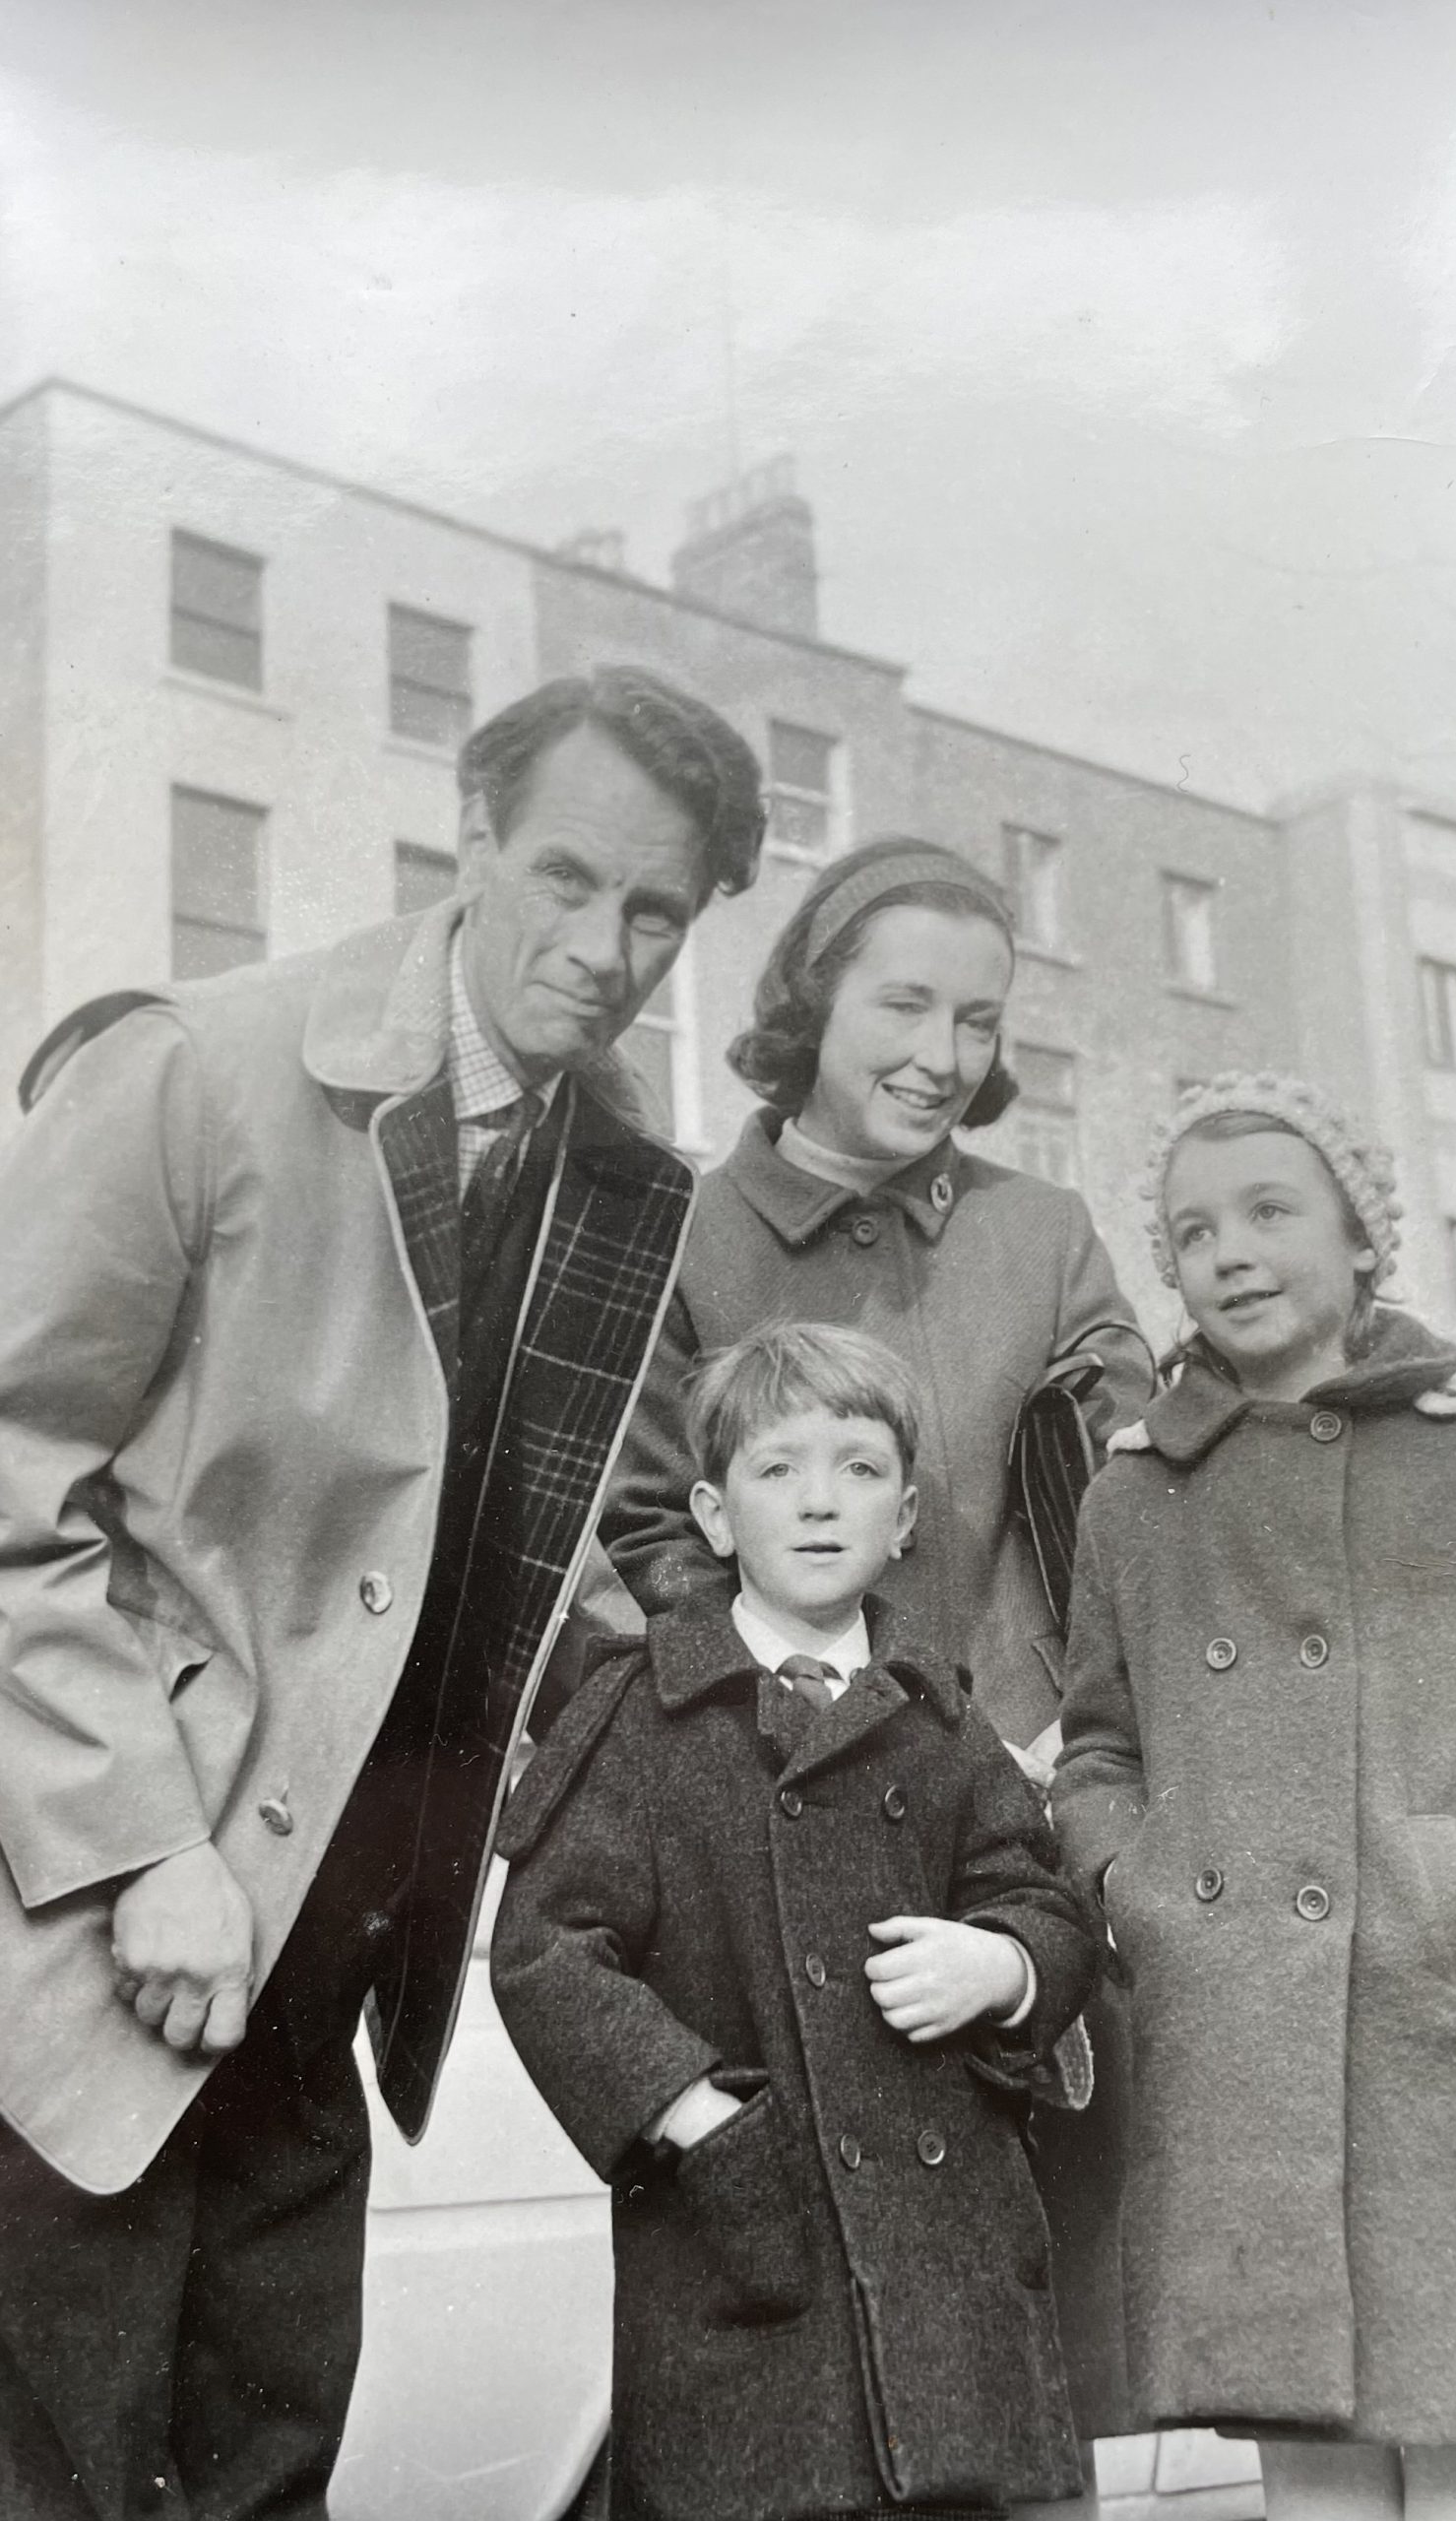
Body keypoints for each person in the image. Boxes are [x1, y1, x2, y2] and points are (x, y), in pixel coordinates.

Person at [0, 665, 765, 2521]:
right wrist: (132, 1848)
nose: (601, 946)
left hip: (337, 1957)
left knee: (269, 2481)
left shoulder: (614, 1184)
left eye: (653, 913)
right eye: (566, 879)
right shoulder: (191, 1063)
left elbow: (527, 1571)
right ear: (473, 837)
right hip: (96, 1929)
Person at [601, 833, 1154, 2471]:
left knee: (1020, 2353)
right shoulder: (682, 1235)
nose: (939, 1054)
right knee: (802, 2362)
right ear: (808, 996)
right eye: (901, 1003)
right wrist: (786, 1732)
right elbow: (636, 1542)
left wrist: (1076, 1736)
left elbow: (1136, 1506)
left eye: (976, 1021)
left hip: (1017, 1837)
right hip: (766, 1838)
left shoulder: (1041, 1232)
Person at [490, 1321, 1102, 2521]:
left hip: (949, 2264)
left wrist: (1006, 1963)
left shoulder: (940, 1720)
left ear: (908, 1516)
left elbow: (1044, 1902)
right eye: (778, 1470)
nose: (820, 1503)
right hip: (743, 2244)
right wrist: (693, 2113)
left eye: (859, 1469)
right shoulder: (644, 1711)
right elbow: (546, 1948)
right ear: (714, 1517)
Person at [1053, 1071, 1456, 2521]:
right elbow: (1096, 1745)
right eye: (1189, 1230)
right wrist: (1134, 1887)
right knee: (1301, 2459)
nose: (1226, 1251)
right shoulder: (1130, 1494)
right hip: (1233, 2020)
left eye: (1266, 1212)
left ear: (1362, 1236)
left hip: (1437, 2005)